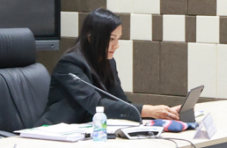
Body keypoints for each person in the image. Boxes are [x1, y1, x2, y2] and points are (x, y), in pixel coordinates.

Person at [41, 8, 179, 125]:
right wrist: (147, 110)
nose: (116, 46)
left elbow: (121, 102)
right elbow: (96, 104)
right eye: (112, 39)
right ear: (91, 38)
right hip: (56, 132)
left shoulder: (108, 62)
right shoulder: (70, 64)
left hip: (90, 132)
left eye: (118, 39)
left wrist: (163, 114)